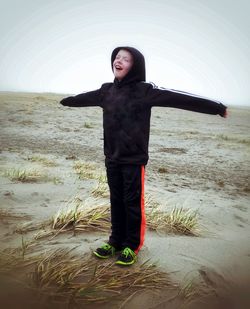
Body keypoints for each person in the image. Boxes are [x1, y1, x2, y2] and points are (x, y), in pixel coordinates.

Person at [60, 46, 227, 266]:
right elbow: (84, 98)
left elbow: (179, 98)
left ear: (135, 66)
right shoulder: (106, 91)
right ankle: (115, 241)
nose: (118, 61)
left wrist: (216, 107)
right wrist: (69, 100)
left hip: (133, 159)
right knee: (116, 200)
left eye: (125, 59)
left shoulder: (144, 90)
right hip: (112, 157)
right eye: (116, 57)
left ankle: (132, 245)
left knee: (132, 203)